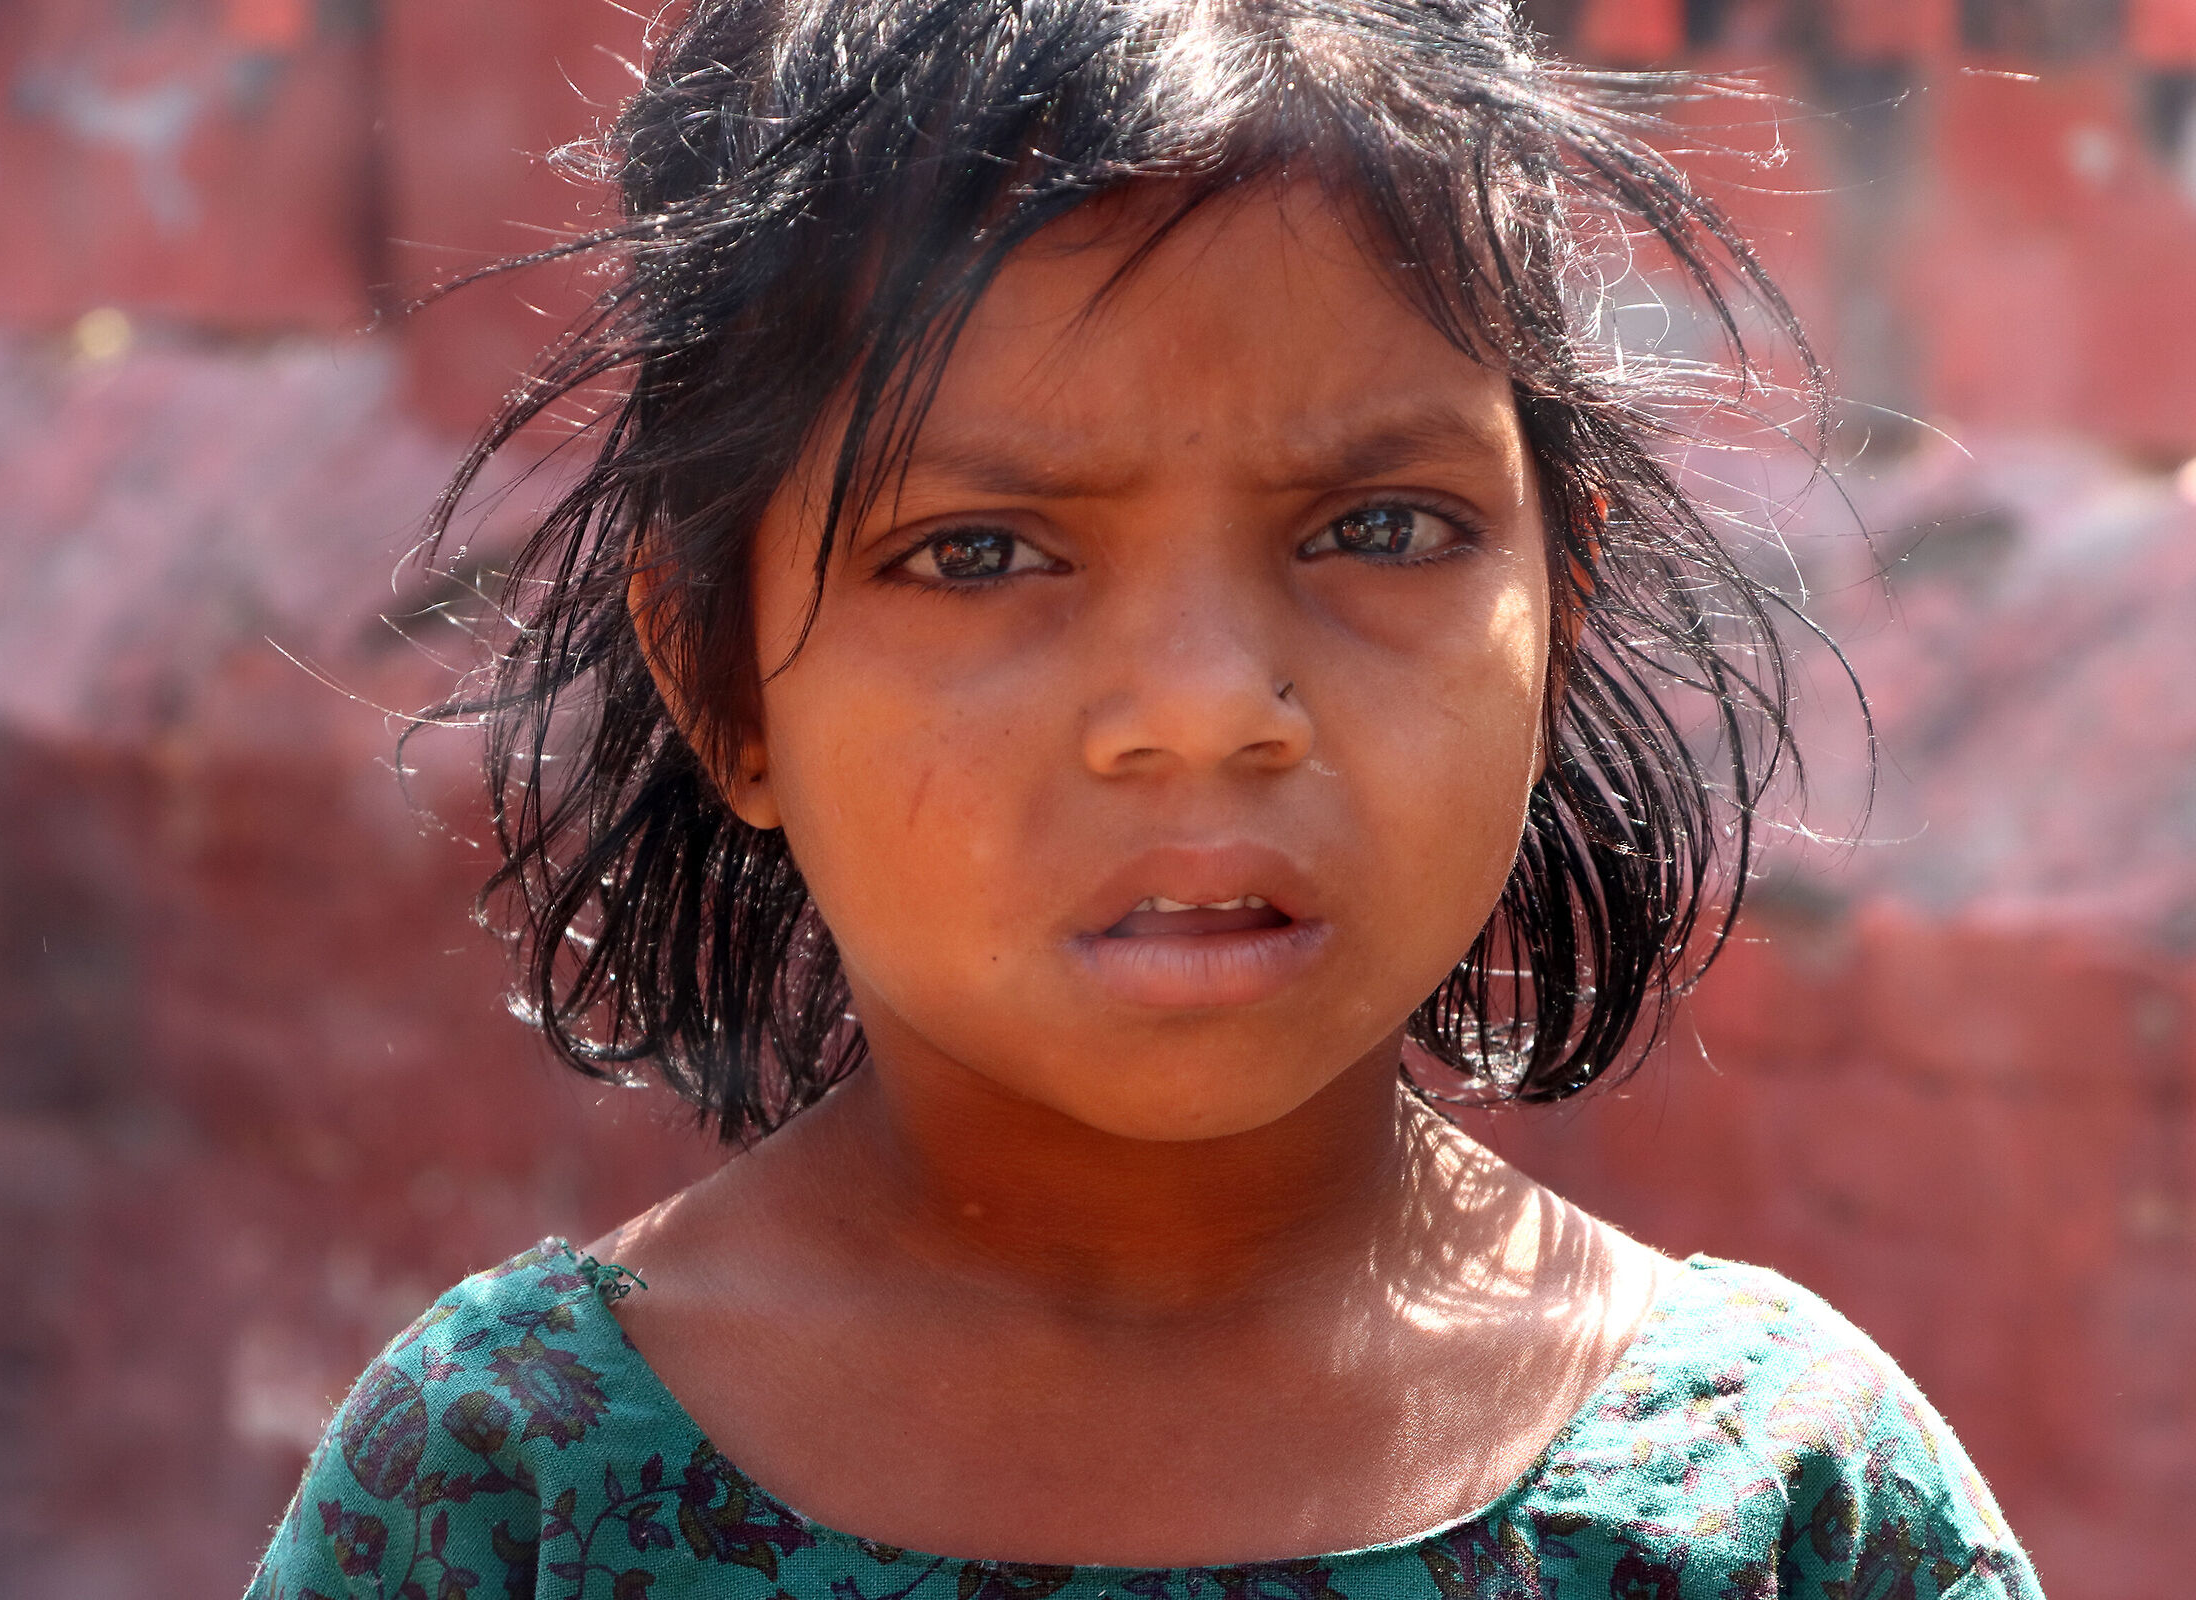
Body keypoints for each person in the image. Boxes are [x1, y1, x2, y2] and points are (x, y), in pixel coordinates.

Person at [251, 0, 2042, 1594]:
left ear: (1559, 601)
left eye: (1379, 531)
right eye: (980, 553)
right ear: (724, 681)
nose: (1206, 714)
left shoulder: (1785, 1497)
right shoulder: (507, 1489)